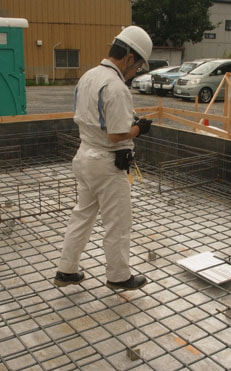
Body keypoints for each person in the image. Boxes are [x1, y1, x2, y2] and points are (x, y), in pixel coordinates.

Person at [53, 26, 153, 291]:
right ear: (129, 58)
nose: (135, 72)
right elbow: (117, 135)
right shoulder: (116, 87)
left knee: (82, 217)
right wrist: (139, 129)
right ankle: (119, 276)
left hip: (85, 157)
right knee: (118, 223)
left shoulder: (88, 76)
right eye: (137, 66)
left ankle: (66, 270)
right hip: (107, 165)